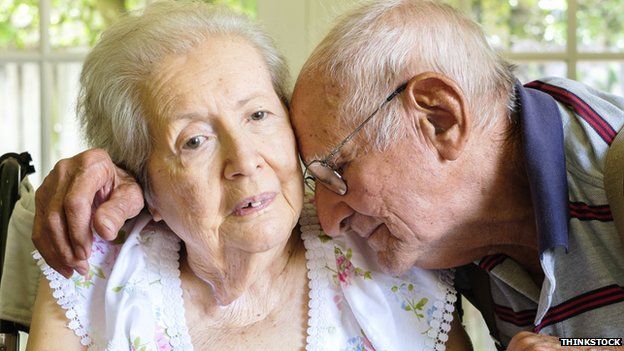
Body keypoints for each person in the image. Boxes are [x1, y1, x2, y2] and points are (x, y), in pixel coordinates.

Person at [31, 0, 624, 350]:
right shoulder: (434, 234)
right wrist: (112, 178)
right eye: (195, 140)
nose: (331, 217)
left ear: (440, 120)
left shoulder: (614, 168)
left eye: (337, 170)